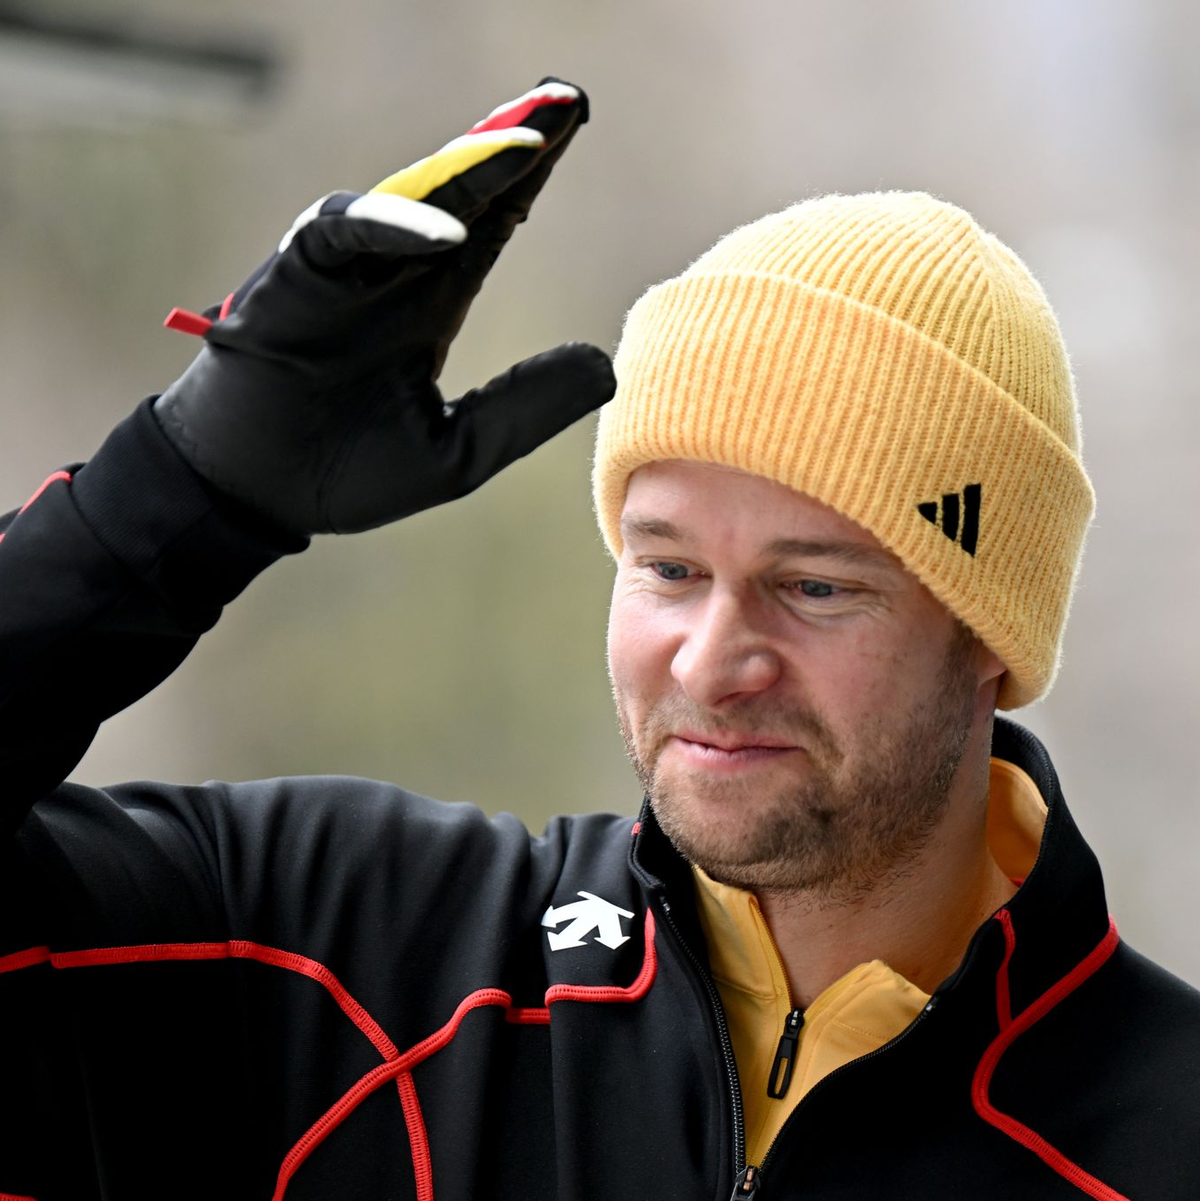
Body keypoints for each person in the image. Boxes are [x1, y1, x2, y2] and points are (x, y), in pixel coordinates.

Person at [0, 77, 1196, 1201]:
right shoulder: (339, 962)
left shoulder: (1162, 1130)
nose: (711, 661)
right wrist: (172, 502)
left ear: (987, 631)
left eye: (818, 588)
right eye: (669, 569)